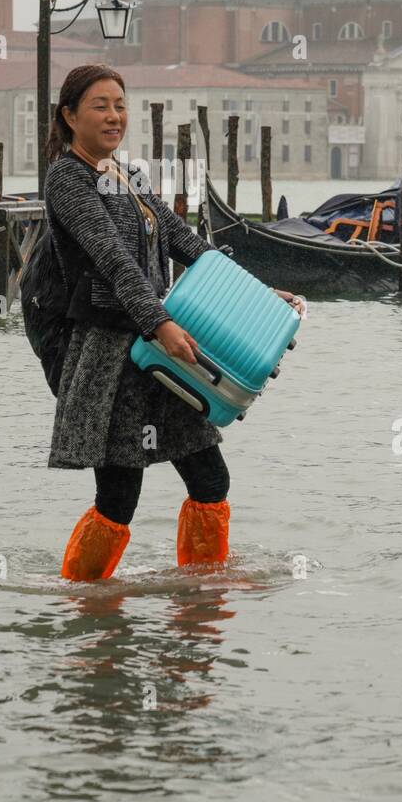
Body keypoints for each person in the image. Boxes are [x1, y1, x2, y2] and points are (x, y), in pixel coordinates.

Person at [43, 63, 305, 582]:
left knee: (210, 478)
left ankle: (201, 597)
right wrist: (158, 323)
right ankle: (83, 602)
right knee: (119, 497)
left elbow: (188, 243)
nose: (114, 116)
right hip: (114, 356)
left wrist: (256, 293)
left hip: (166, 352)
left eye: (120, 104)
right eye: (100, 106)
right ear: (69, 116)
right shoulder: (67, 179)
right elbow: (113, 259)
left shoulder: (127, 175)